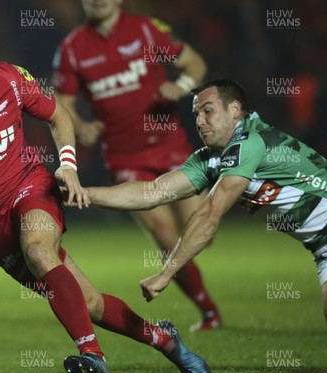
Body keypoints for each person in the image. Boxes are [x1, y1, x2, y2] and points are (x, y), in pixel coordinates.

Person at [0, 18, 211, 373]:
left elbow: (57, 114)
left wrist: (68, 165)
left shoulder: (6, 78)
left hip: (31, 186)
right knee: (88, 302)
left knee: (39, 250)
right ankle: (165, 339)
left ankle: (93, 356)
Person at [71, 79, 327, 353]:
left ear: (235, 110)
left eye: (208, 111)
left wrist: (167, 273)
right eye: (196, 114)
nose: (200, 121)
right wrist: (82, 193)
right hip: (326, 251)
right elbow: (152, 193)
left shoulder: (250, 141)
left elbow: (210, 216)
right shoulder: (211, 158)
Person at [52, 0, 221, 331]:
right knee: (165, 235)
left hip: (172, 148)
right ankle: (208, 310)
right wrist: (81, 125)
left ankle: (203, 303)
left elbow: (194, 64)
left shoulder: (146, 30)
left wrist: (183, 87)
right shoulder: (73, 48)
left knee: (200, 231)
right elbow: (62, 104)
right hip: (124, 158)